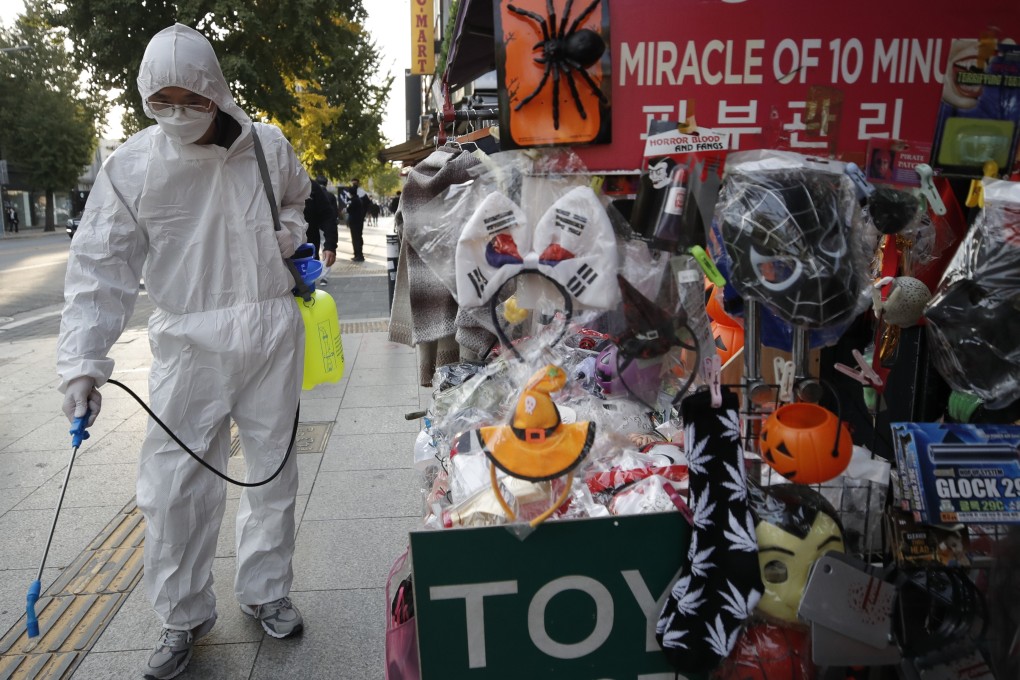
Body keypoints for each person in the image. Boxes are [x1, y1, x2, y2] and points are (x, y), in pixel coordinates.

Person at [56, 23, 309, 680]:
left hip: (271, 331)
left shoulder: (268, 148)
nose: (176, 112)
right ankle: (181, 612)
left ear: (214, 90)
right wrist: (83, 362)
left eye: (187, 97)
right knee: (172, 488)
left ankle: (265, 590)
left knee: (272, 476)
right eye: (160, 100)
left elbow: (301, 200)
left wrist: (291, 236)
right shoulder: (133, 166)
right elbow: (99, 268)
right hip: (187, 341)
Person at [304, 175, 339, 282]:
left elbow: (328, 215)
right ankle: (323, 276)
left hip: (307, 250)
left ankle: (323, 276)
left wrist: (330, 245)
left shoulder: (311, 187)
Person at [344, 178, 367, 262]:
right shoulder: (359, 200)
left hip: (354, 223)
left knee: (355, 239)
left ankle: (358, 255)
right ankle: (359, 254)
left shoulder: (354, 201)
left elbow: (349, 210)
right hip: (359, 222)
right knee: (358, 238)